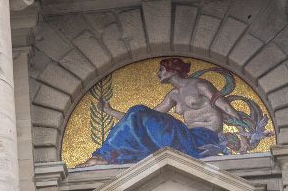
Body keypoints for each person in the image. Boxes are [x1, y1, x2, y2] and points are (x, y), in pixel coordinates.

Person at [79, 58, 245, 166]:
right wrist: (110, 111)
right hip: (185, 137)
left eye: (161, 69)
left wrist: (243, 131)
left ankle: (103, 156)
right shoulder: (173, 95)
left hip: (202, 139)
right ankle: (105, 157)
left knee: (138, 111)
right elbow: (138, 120)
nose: (158, 73)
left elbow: (224, 105)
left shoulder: (199, 85)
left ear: (172, 70)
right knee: (137, 112)